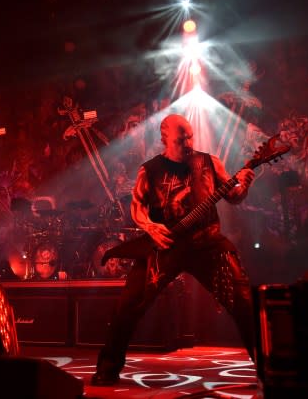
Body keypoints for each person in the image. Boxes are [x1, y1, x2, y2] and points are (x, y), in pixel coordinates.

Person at [91, 114, 256, 386]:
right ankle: (108, 368)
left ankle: (268, 368)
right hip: (163, 248)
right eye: (182, 139)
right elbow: (137, 207)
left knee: (244, 302)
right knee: (127, 306)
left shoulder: (209, 162)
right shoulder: (150, 170)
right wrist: (151, 227)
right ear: (165, 139)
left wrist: (245, 184)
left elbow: (234, 197)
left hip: (207, 245)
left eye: (191, 136)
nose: (189, 142)